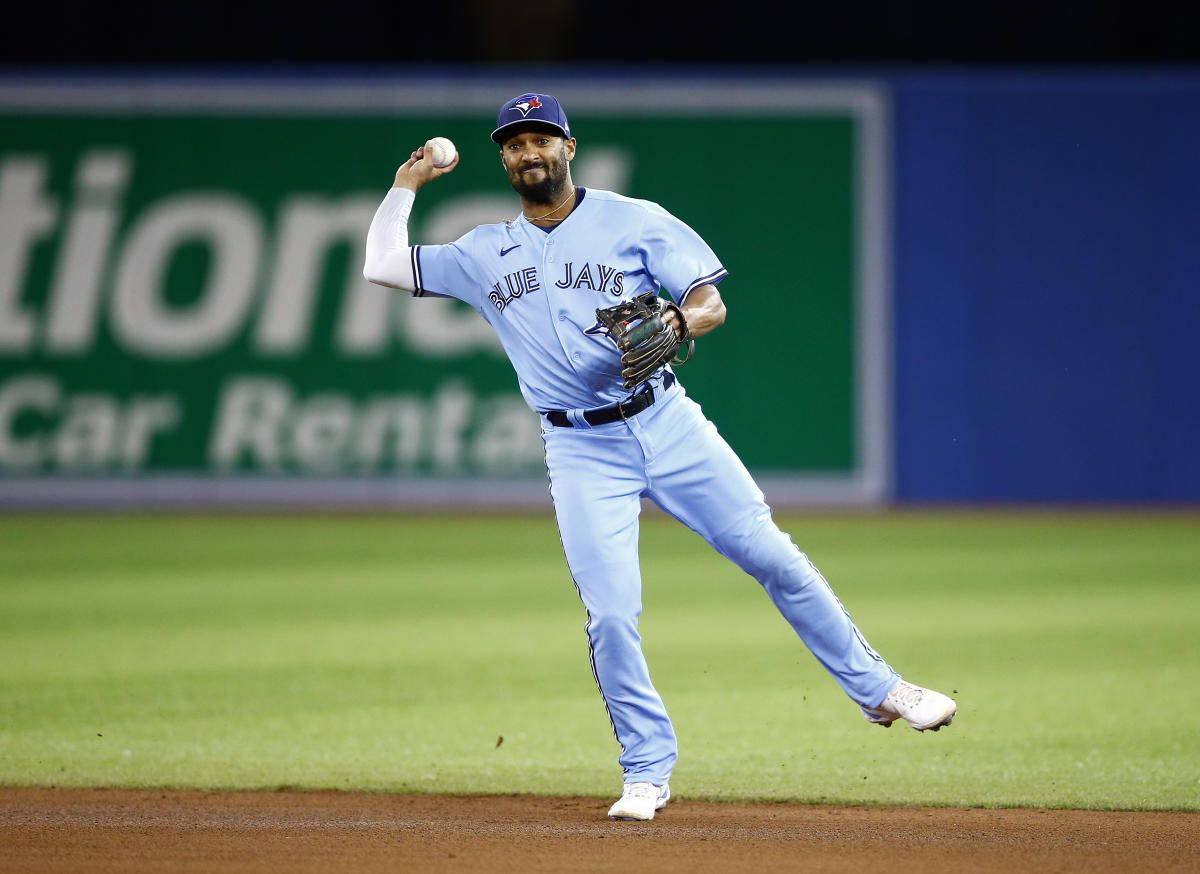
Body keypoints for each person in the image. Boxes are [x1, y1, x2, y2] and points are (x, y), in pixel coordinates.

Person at [363, 92, 956, 822]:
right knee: (611, 615)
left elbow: (710, 301)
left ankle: (882, 690)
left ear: (569, 148)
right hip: (580, 448)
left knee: (771, 555)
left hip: (668, 424)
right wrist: (405, 187)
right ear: (504, 159)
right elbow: (384, 265)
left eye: (541, 138)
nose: (528, 153)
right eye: (514, 144)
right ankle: (646, 771)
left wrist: (677, 316)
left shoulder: (635, 220)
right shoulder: (485, 252)